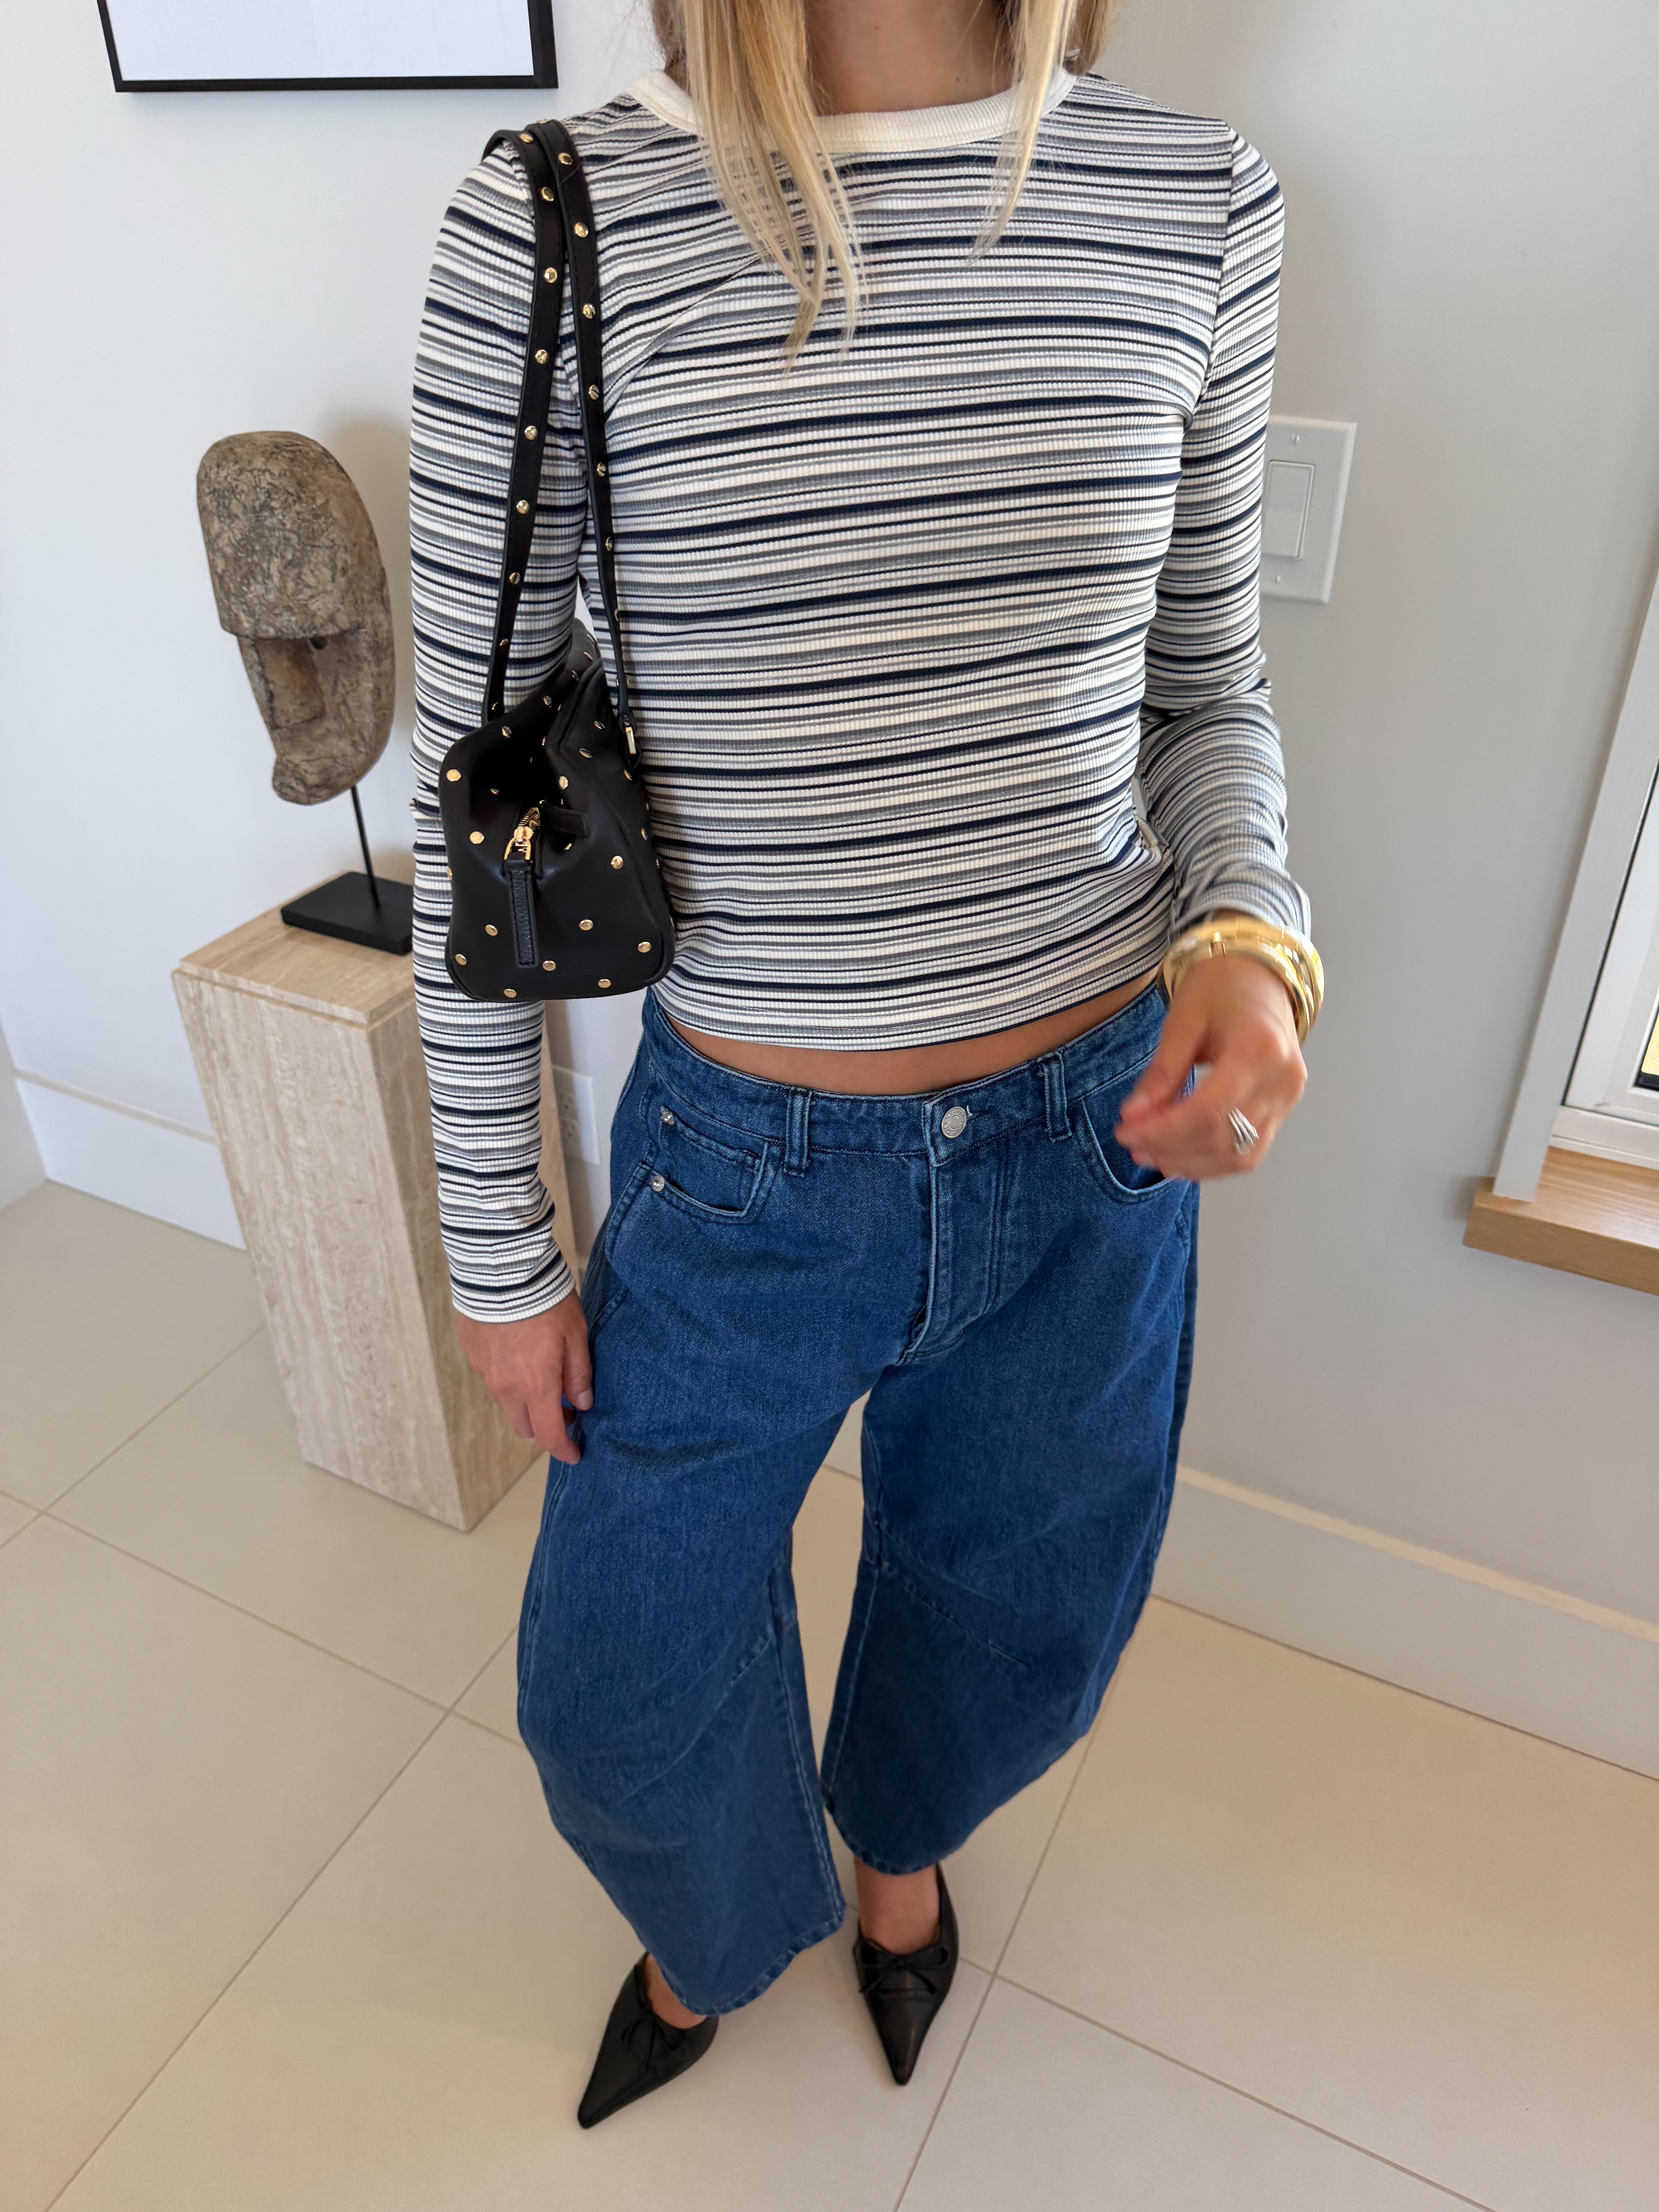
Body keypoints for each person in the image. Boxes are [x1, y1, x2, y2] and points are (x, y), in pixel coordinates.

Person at [409, 0, 1319, 2129]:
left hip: (1092, 1143)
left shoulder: (1195, 198)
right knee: (618, 1688)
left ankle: (899, 1861)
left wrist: (1254, 937)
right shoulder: (559, 215)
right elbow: (480, 789)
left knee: (1017, 1606)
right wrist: (500, 1243)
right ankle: (720, 1930)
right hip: (743, 1166)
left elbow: (1206, 688)